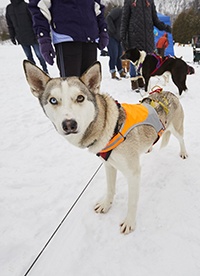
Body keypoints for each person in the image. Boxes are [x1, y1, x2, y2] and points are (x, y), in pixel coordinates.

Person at [28, 0, 109, 77]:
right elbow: (41, 6)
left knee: (91, 87)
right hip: (66, 37)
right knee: (71, 85)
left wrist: (103, 30)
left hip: (90, 36)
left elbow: (97, 6)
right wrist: (44, 38)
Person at [120, 0, 171, 91]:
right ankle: (134, 81)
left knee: (147, 61)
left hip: (148, 38)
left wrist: (165, 27)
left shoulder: (149, 1)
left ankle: (142, 80)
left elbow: (155, 20)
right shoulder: (129, 1)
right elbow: (124, 20)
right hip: (135, 37)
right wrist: (123, 38)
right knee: (135, 59)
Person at [6, 0, 48, 74]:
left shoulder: (26, 6)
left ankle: (45, 70)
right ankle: (33, 73)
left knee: (39, 55)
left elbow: (34, 20)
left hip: (33, 36)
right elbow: (10, 25)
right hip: (21, 38)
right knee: (29, 57)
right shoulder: (9, 8)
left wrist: (37, 33)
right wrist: (12, 36)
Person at [106, 6, 126, 80]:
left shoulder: (128, 15)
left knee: (119, 56)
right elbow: (109, 18)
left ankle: (121, 71)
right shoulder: (118, 10)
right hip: (111, 36)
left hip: (119, 39)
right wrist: (112, 30)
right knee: (114, 55)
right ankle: (113, 72)